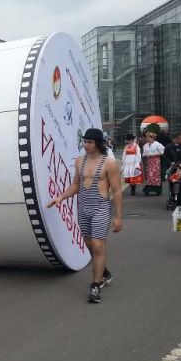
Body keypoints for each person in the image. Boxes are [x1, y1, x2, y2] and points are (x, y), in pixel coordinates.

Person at [46, 128, 123, 304]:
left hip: (101, 207)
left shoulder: (109, 163)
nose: (85, 145)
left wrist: (118, 217)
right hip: (83, 208)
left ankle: (95, 286)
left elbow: (117, 191)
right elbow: (75, 185)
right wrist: (61, 197)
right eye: (84, 142)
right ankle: (103, 271)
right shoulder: (80, 161)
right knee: (90, 245)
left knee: (97, 245)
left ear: (98, 143)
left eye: (89, 142)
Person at [163, 135, 181, 208]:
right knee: (173, 183)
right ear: (176, 139)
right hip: (173, 168)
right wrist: (170, 163)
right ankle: (173, 197)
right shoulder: (168, 147)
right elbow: (165, 157)